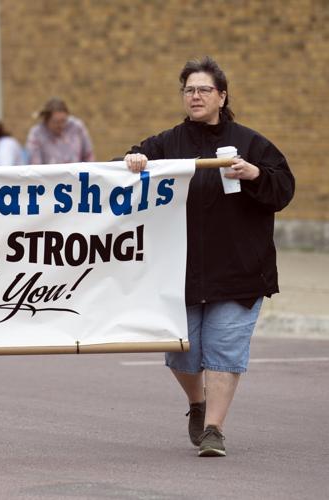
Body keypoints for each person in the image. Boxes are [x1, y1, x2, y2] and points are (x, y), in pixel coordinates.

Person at [123, 57, 294, 457]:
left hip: (238, 270)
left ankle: (214, 429)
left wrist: (255, 175)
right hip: (180, 272)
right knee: (184, 352)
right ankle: (196, 404)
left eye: (203, 89)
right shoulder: (166, 143)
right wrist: (133, 161)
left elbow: (283, 189)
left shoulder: (253, 144)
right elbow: (125, 169)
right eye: (188, 90)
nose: (195, 96)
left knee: (225, 350)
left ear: (222, 95)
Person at [26, 97, 95, 165]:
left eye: (63, 121)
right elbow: (35, 166)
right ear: (46, 120)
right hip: (50, 175)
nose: (60, 125)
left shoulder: (77, 127)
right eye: (56, 122)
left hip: (77, 175)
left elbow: (88, 155)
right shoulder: (36, 134)